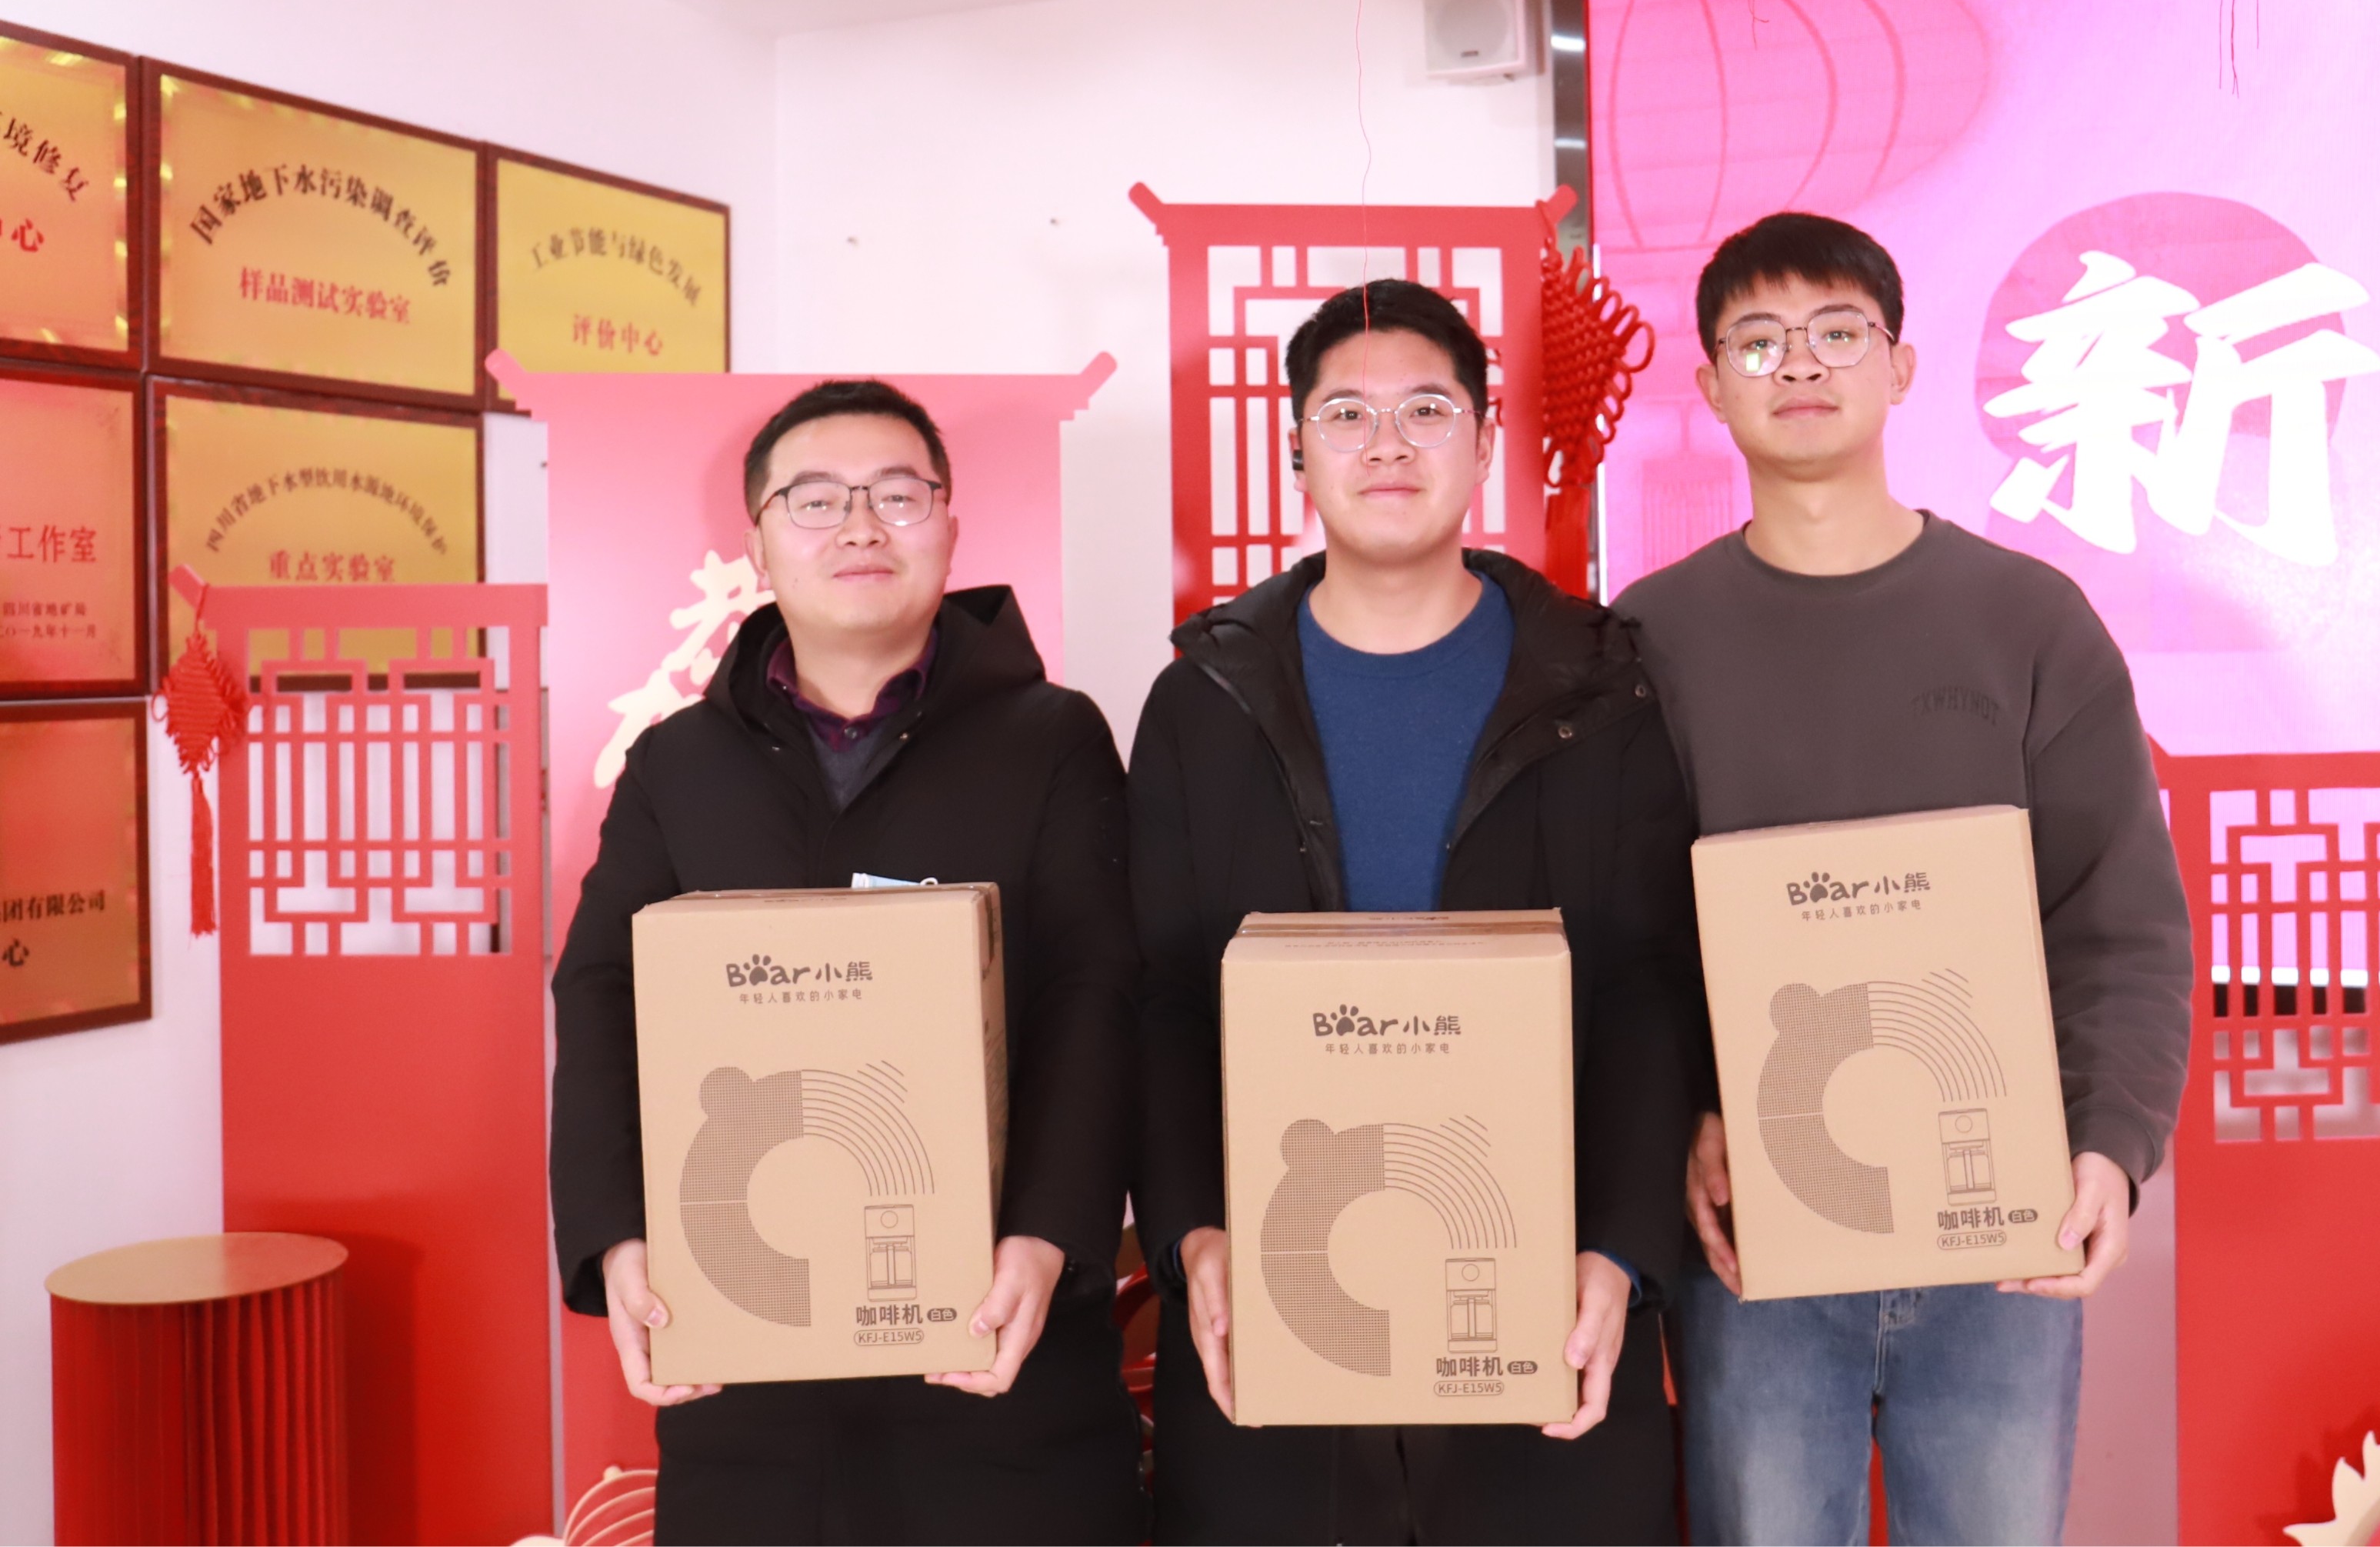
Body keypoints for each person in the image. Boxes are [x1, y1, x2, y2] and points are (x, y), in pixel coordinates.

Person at [1613, 214, 2193, 1546]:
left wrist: (2111, 1144)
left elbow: (2119, 923)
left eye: (1837, 331)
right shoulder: (1649, 637)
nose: (1799, 363)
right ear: (1710, 385)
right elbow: (1628, 934)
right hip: (1757, 1225)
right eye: (1758, 340)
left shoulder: (2028, 619)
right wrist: (1684, 1114)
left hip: (2000, 1224)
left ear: (1901, 366)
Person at [1128, 280, 1700, 1544]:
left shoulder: (1597, 684)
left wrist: (1618, 1248)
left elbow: (1649, 984)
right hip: (1279, 1284)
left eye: (1428, 409)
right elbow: (1161, 994)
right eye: (1347, 414)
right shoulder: (1204, 701)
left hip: (1540, 1281)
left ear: (1485, 442)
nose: (1387, 443)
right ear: (1296, 452)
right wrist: (1192, 1233)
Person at [548, 379, 1143, 1544]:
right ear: (759, 544)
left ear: (950, 526)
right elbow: (601, 989)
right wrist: (618, 1234)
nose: (861, 526)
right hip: (751, 1373)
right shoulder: (680, 763)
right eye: (816, 499)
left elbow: (1096, 991)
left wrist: (1048, 1234)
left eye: (898, 494)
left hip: (997, 1357)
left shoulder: (1052, 737)